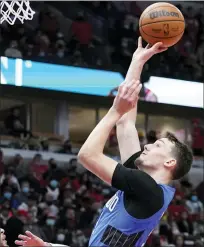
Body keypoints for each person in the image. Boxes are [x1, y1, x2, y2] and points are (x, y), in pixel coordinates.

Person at [15, 37, 193, 247]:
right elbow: (126, 124)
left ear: (169, 163)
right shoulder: (145, 188)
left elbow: (87, 155)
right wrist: (137, 62)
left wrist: (114, 111)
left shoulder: (146, 188)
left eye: (157, 145)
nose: (147, 145)